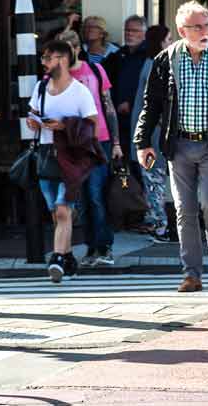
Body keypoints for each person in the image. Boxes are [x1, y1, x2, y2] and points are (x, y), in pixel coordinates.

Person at [135, 1, 208, 293]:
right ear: (181, 30)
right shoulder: (166, 60)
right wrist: (142, 142)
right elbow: (151, 105)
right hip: (179, 145)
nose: (203, 31)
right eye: (196, 27)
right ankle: (191, 273)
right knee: (184, 210)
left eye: (205, 25)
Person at [26, 40, 102, 283]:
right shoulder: (41, 87)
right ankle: (68, 258)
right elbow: (32, 115)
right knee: (55, 211)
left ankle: (57, 258)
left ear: (60, 59)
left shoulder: (79, 90)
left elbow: (93, 123)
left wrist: (64, 126)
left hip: (71, 156)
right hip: (46, 155)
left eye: (47, 58)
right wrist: (34, 123)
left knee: (62, 209)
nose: (44, 63)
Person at [58, 30, 122, 266]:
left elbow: (109, 106)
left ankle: (104, 247)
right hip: (72, 143)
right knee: (81, 199)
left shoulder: (95, 70)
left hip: (98, 140)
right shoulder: (58, 76)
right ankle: (91, 247)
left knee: (96, 194)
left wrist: (116, 143)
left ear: (77, 49)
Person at [132, 25, 174, 240]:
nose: (170, 43)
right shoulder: (157, 66)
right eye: (167, 39)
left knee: (153, 180)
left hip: (147, 133)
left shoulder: (149, 64)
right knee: (155, 180)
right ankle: (160, 225)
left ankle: (157, 222)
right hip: (153, 135)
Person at [101, 15, 147, 163]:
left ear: (144, 33)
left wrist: (131, 102)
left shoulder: (150, 57)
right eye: (127, 30)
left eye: (134, 30)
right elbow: (104, 80)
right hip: (117, 120)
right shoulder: (118, 56)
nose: (129, 34)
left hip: (141, 118)